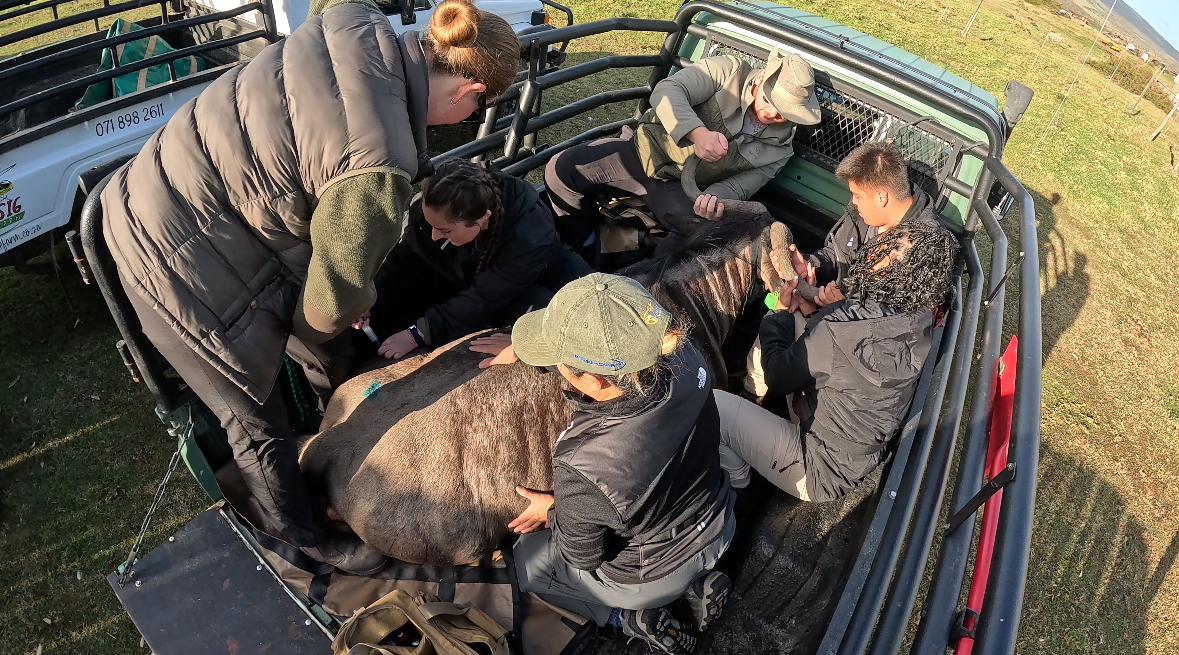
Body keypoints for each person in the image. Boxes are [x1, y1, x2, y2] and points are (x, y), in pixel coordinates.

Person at [100, 0, 520, 573]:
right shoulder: (378, 164)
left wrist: (323, 330)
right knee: (254, 420)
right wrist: (326, 320)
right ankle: (306, 534)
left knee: (329, 348)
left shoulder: (357, 21)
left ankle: (338, 436)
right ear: (469, 89)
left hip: (188, 193)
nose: (472, 117)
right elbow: (330, 301)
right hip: (172, 261)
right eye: (480, 107)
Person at [470, 274, 735, 655]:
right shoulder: (682, 351)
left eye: (558, 360)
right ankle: (697, 586)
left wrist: (552, 511)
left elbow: (582, 555)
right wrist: (532, 352)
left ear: (593, 381)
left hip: (653, 574)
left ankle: (628, 620)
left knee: (528, 566)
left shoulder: (585, 466)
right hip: (719, 520)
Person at [715, 221, 959, 503]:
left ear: (895, 273)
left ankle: (740, 486)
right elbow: (843, 350)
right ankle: (750, 395)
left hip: (818, 468)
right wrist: (818, 310)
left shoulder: (841, 327)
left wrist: (778, 314)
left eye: (884, 252)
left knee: (714, 406)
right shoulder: (918, 316)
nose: (871, 254)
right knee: (796, 320)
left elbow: (778, 377)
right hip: (853, 450)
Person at [544, 48, 822, 254]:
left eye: (784, 113)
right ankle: (582, 248)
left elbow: (738, 189)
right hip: (642, 150)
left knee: (698, 238)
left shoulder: (781, 150)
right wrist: (697, 133)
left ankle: (642, 282)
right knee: (562, 169)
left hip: (685, 189)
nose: (771, 112)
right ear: (760, 77)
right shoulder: (728, 71)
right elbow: (667, 90)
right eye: (768, 99)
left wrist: (712, 201)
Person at [744, 141, 945, 397]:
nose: (853, 202)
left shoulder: (922, 248)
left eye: (857, 196)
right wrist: (809, 264)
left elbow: (890, 325)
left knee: (782, 315)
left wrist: (840, 309)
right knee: (787, 305)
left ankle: (761, 397)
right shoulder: (869, 212)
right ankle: (755, 391)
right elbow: (835, 252)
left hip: (856, 348)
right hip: (830, 315)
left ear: (882, 196)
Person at [365, 159, 592, 360]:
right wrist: (368, 298)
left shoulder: (530, 234)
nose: (433, 236)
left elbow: (485, 297)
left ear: (483, 219)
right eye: (431, 225)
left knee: (550, 312)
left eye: (444, 231)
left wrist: (418, 334)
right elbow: (403, 258)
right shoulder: (434, 209)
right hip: (474, 272)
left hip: (523, 283)